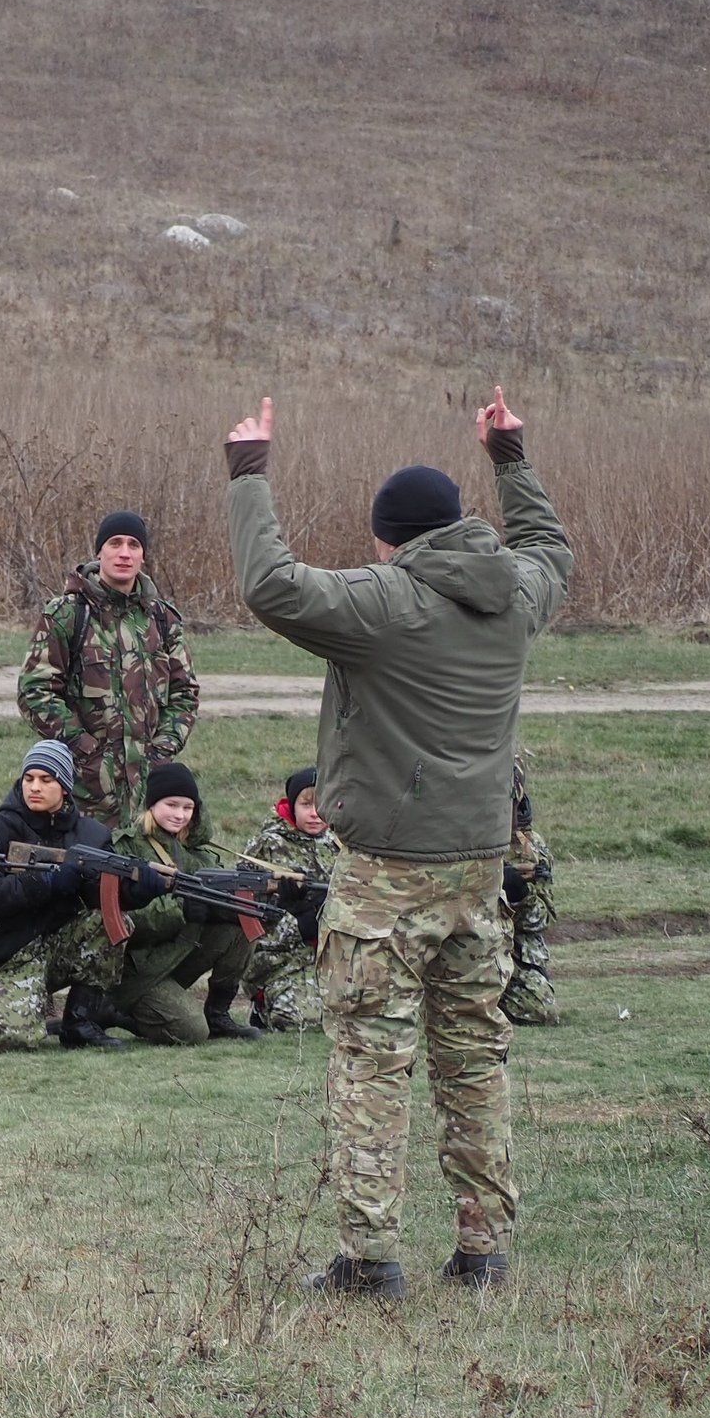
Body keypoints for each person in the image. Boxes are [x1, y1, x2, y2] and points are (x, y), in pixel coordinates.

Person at [226, 386, 572, 1295]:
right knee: (473, 1060)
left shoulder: (385, 602)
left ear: (390, 537)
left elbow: (271, 584)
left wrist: (249, 471)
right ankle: (484, 1252)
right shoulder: (515, 596)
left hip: (385, 881)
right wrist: (511, 456)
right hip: (480, 876)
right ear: (456, 525)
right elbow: (550, 549)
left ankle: (371, 1261)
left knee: (372, 1067)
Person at [17, 509, 201, 826]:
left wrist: (162, 750)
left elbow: (185, 693)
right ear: (99, 551)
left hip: (148, 791)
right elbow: (35, 692)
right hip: (85, 791)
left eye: (134, 545)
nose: (124, 553)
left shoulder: (163, 619)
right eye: (115, 543)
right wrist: (86, 750)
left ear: (143, 555)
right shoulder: (67, 614)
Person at [0, 740, 133, 1052]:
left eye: (46, 780)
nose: (35, 787)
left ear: (65, 786)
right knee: (9, 1038)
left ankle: (80, 1021)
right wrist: (47, 882)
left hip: (57, 948)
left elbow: (102, 897)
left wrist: (138, 889)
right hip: (6, 954)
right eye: (29, 779)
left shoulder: (92, 834)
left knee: (112, 920)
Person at [100, 763, 261, 1046]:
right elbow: (122, 917)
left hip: (179, 954)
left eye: (188, 808)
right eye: (171, 805)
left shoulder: (199, 852)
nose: (180, 815)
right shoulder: (126, 847)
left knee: (242, 925)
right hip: (139, 968)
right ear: (151, 805)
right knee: (192, 1033)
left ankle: (218, 1013)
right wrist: (180, 910)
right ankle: (114, 1010)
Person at [241, 767, 337, 1033]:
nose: (315, 812)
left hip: (332, 958)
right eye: (306, 804)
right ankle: (262, 1006)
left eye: (323, 804)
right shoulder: (266, 846)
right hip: (280, 960)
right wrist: (297, 923)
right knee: (299, 1021)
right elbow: (247, 919)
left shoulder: (341, 844)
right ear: (291, 804)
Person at [502, 767, 558, 1028]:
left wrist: (518, 892)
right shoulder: (459, 836)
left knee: (538, 1008)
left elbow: (543, 918)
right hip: (460, 940)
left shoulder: (530, 847)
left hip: (509, 949)